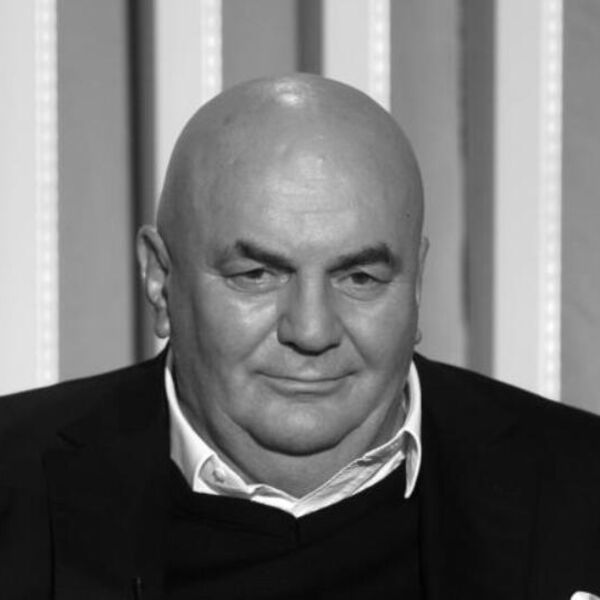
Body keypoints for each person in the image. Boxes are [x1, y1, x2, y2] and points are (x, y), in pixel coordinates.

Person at [1, 73, 600, 600]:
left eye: (360, 278)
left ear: (416, 285)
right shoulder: (14, 478)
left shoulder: (581, 484)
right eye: (256, 275)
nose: (311, 331)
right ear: (160, 280)